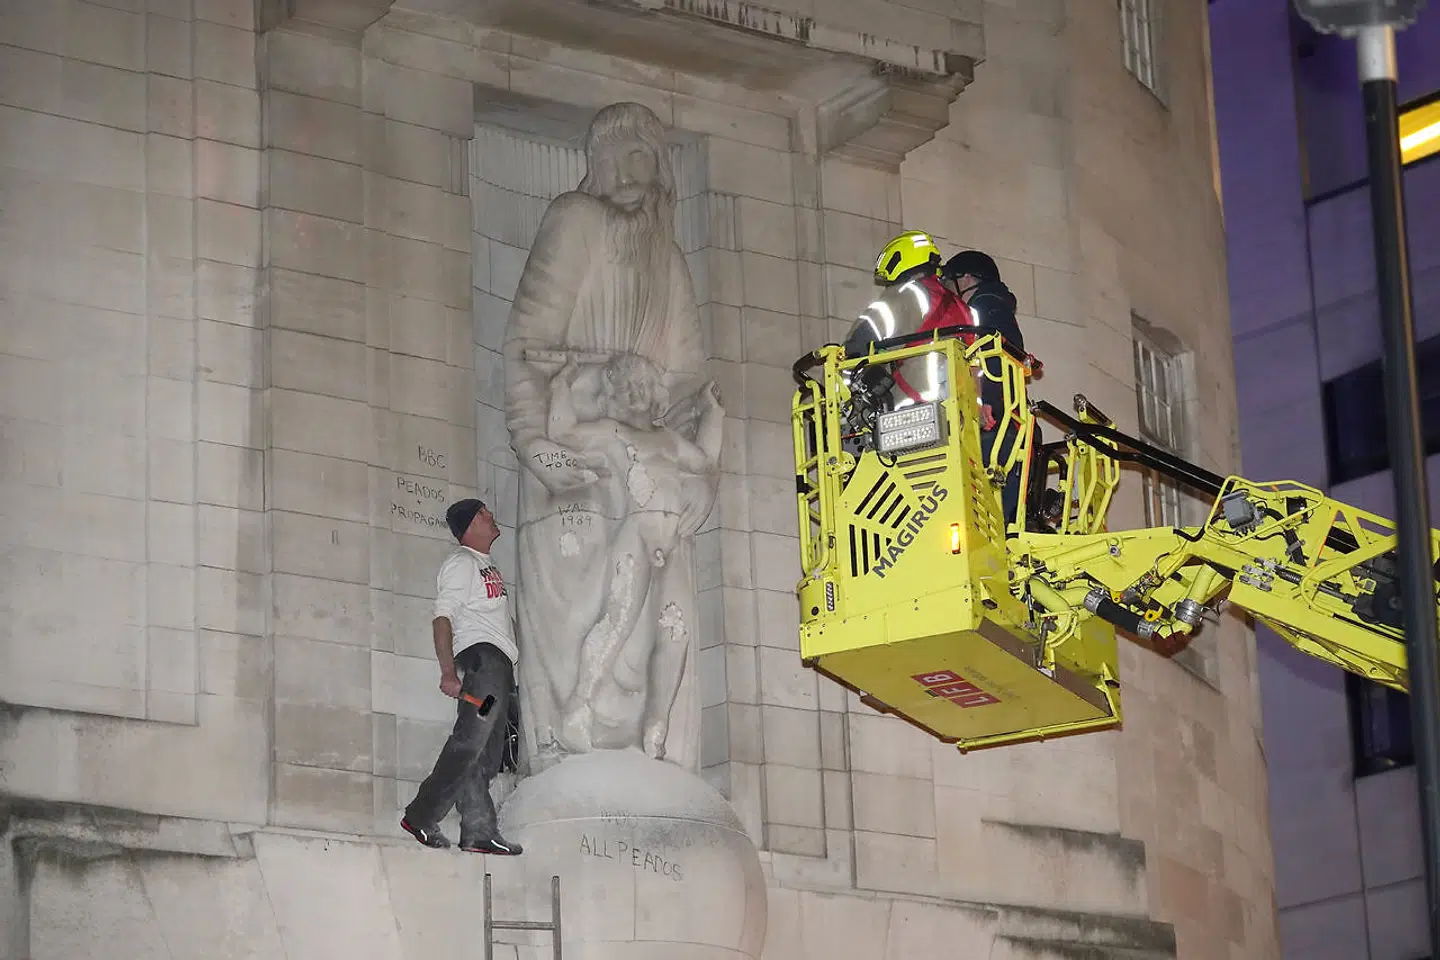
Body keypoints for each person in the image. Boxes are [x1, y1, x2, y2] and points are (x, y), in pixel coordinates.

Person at [502, 102, 719, 774]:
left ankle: (655, 753)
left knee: (662, 628)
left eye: (641, 155)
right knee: (582, 623)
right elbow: (526, 343)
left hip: (652, 477)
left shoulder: (668, 257)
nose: (628, 171)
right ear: (594, 165)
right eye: (614, 156)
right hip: (577, 458)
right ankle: (564, 755)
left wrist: (700, 479)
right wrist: (532, 441)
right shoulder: (575, 221)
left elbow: (690, 379)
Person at [544, 353, 725, 757]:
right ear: (616, 393)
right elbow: (563, 431)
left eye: (644, 385)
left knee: (676, 632)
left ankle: (657, 727)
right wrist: (560, 384)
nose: (637, 394)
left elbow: (705, 462)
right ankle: (577, 708)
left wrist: (713, 414)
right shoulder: (613, 432)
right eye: (629, 387)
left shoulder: (669, 440)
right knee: (618, 619)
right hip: (637, 535)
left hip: (673, 538)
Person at [400, 498, 523, 856]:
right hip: (483, 662)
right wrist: (448, 672)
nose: (492, 516)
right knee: (470, 741)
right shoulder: (462, 562)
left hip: (498, 667)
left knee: (486, 752)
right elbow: (443, 618)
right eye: (484, 513)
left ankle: (478, 830)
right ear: (469, 525)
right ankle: (421, 815)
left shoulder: (484, 564)